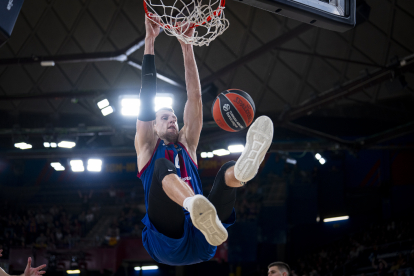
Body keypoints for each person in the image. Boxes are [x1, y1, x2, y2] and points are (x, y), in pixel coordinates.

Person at [135, 16, 274, 266]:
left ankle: (242, 170)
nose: (173, 119)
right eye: (164, 117)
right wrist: (150, 41)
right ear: (153, 127)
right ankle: (192, 203)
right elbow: (146, 97)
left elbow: (195, 97)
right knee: (160, 168)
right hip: (167, 242)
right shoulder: (147, 148)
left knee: (226, 172)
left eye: (174, 117)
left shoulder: (187, 144)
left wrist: (186, 45)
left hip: (205, 237)